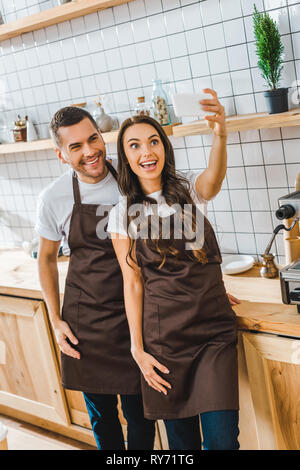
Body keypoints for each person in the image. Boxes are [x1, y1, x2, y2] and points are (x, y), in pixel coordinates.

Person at [107, 89, 240, 450]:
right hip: (165, 341)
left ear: (164, 147)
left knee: (223, 442)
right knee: (182, 446)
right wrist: (137, 348)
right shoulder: (122, 214)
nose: (146, 152)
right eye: (134, 146)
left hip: (213, 334)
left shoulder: (189, 193)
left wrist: (220, 132)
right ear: (126, 157)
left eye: (153, 142)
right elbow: (132, 282)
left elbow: (214, 177)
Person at [35, 106, 155, 450]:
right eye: (76, 147)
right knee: (102, 418)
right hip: (85, 321)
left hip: (135, 317)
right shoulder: (53, 198)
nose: (90, 151)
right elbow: (45, 259)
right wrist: (55, 320)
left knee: (142, 414)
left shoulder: (132, 181)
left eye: (93, 138)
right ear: (61, 154)